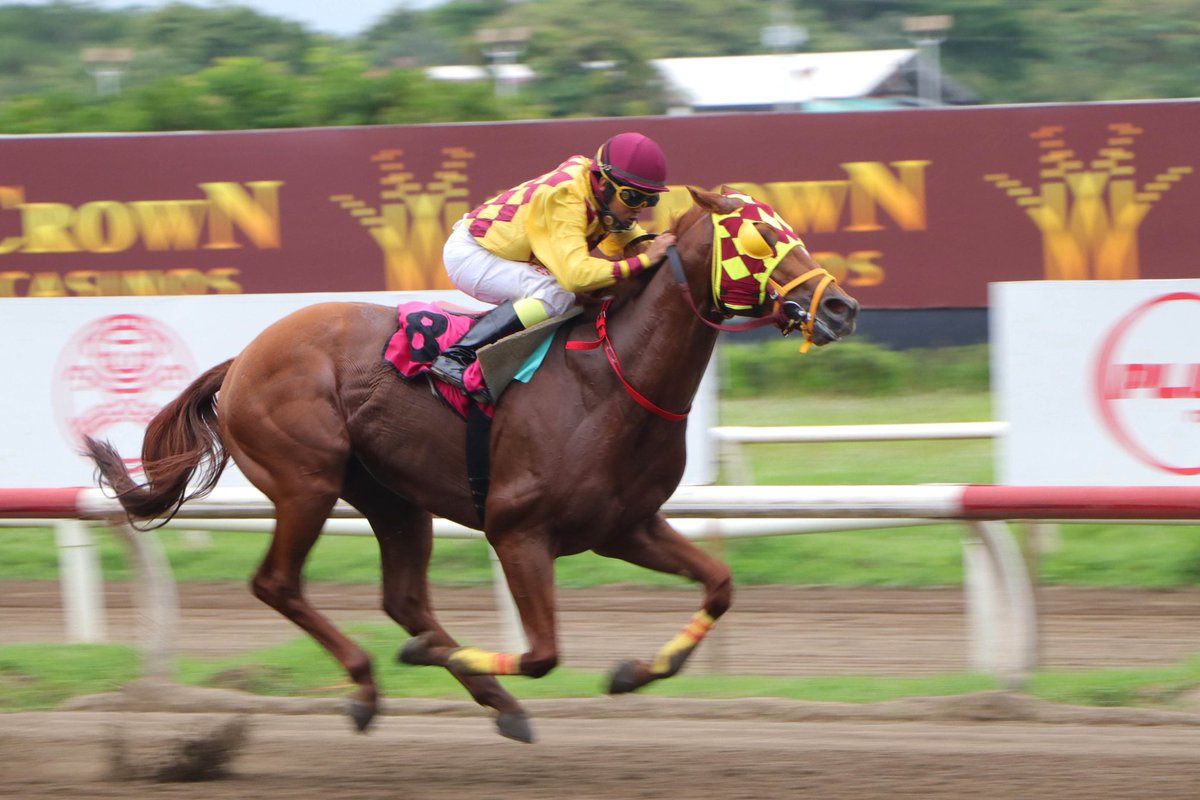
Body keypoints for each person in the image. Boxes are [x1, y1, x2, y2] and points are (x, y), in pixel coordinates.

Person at [430, 131, 678, 403]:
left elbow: (630, 241)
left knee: (572, 293)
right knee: (556, 291)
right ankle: (458, 354)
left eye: (649, 200)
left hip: (505, 255)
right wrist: (644, 260)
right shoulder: (566, 197)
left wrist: (660, 251)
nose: (639, 208)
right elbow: (576, 276)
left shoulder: (600, 194)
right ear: (604, 183)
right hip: (473, 254)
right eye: (632, 198)